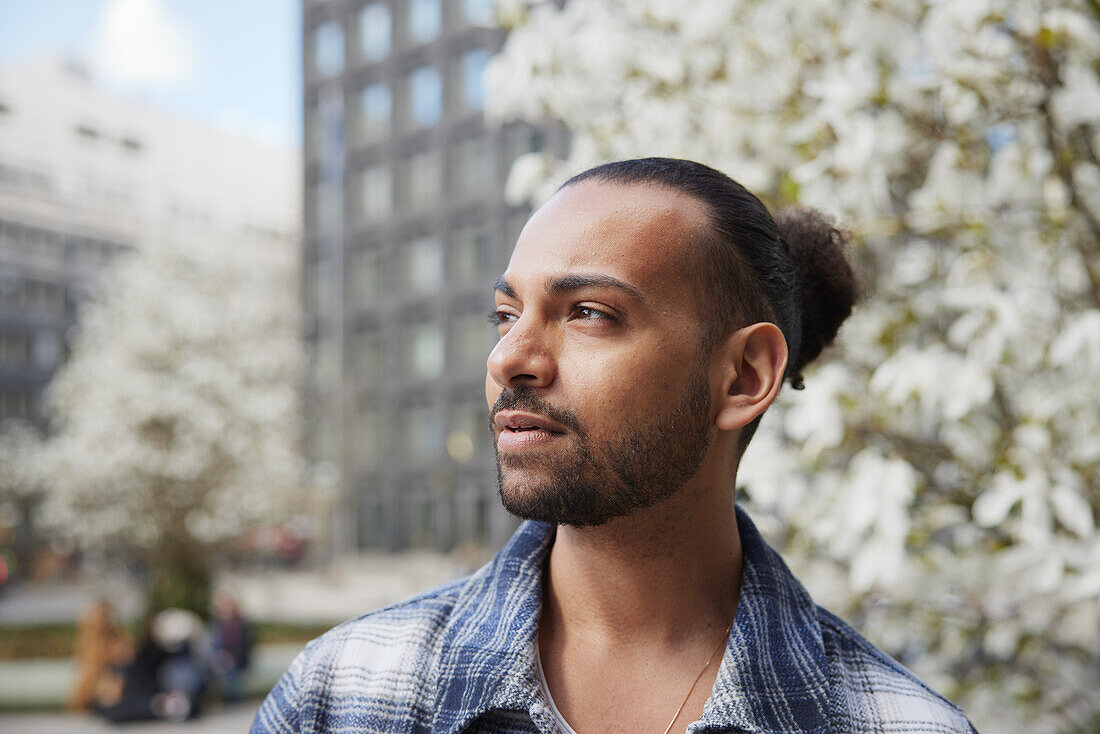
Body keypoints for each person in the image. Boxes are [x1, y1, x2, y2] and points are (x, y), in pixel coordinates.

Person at [253, 158, 977, 733]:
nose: (510, 358)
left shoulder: (897, 724)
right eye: (505, 315)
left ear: (744, 376)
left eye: (589, 313)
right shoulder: (341, 697)